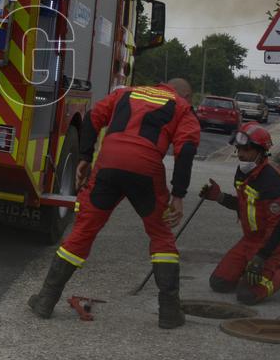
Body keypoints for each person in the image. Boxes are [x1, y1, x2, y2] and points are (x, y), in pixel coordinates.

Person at [28, 78, 200, 329]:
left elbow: (91, 118)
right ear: (186, 95)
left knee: (83, 231)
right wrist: (178, 195)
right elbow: (186, 150)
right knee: (161, 235)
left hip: (108, 164)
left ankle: (46, 299)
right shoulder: (182, 107)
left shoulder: (127, 93)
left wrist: (85, 156)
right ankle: (169, 312)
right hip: (146, 168)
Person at [199, 122, 280, 305]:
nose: (241, 155)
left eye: (246, 149)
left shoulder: (271, 179)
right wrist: (219, 197)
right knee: (219, 283)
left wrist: (261, 257)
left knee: (247, 295)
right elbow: (245, 206)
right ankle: (251, 270)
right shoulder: (243, 172)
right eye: (238, 149)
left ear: (261, 151)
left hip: (272, 245)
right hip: (249, 240)